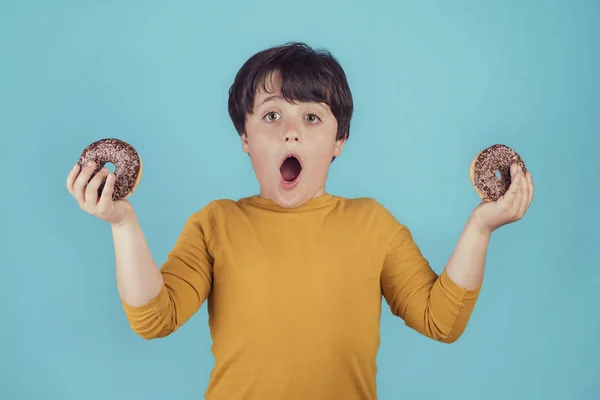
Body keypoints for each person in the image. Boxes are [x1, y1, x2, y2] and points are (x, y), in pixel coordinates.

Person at [65, 42, 534, 400]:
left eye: (312, 117)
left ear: (339, 141)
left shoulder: (372, 223)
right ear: (245, 137)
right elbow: (154, 318)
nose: (291, 129)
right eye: (271, 115)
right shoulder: (215, 224)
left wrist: (481, 228)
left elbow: (440, 320)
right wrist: (122, 224)